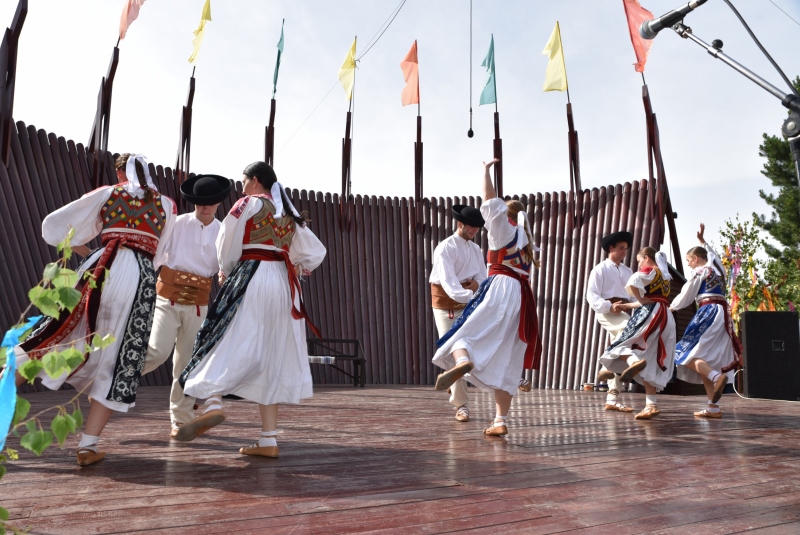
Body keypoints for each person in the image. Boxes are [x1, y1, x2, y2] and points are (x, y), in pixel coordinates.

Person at [14, 153, 176, 466]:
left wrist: (89, 250)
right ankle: (88, 446)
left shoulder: (108, 193)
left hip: (103, 269)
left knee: (53, 333)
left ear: (121, 172)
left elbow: (56, 226)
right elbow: (162, 252)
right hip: (139, 280)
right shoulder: (167, 205)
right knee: (117, 358)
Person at [175, 161, 326, 458]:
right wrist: (297, 265)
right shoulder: (288, 211)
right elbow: (315, 251)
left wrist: (226, 268)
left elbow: (227, 237)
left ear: (255, 181)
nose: (241, 187)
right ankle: (268, 439)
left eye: (243, 181)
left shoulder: (248, 203)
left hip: (252, 274)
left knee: (222, 335)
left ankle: (214, 404)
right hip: (283, 285)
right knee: (270, 355)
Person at [432, 158, 541, 436]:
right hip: (522, 298)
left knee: (460, 336)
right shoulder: (526, 240)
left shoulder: (503, 228)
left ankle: (463, 362)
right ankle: (500, 421)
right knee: (508, 357)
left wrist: (485, 171)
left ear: (506, 215)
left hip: (499, 289)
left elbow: (490, 198)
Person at [141, 174, 230, 437]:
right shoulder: (177, 223)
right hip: (167, 298)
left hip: (199, 304)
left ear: (218, 203)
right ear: (193, 202)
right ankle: (113, 380)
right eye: (201, 201)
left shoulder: (223, 231)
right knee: (157, 350)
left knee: (187, 363)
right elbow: (156, 255)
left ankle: (180, 420)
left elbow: (225, 266)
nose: (206, 206)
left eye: (211, 202)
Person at [670, 223, 742, 418]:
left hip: (707, 312)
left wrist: (672, 307)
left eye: (688, 261)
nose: (688, 265)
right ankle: (713, 407)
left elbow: (688, 292)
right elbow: (714, 257)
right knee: (705, 359)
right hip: (723, 314)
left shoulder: (700, 271)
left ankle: (716, 377)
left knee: (682, 351)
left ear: (695, 259)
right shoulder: (718, 270)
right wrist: (702, 241)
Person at [599, 247, 676, 420]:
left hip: (651, 314)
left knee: (622, 344)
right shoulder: (664, 275)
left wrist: (640, 300)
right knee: (652, 359)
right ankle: (651, 405)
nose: (639, 264)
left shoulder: (648, 270)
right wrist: (627, 305)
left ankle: (632, 362)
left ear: (647, 258)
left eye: (640, 260)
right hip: (666, 315)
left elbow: (634, 282)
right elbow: (653, 299)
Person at [429, 204, 487, 422]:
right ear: (460, 224)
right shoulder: (445, 247)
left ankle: (454, 388)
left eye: (477, 227)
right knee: (455, 348)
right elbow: (448, 281)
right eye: (471, 226)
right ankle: (461, 405)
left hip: (468, 301)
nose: (474, 230)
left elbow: (483, 276)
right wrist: (470, 293)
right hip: (445, 303)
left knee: (468, 350)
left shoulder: (476, 250)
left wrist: (475, 287)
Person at [586, 231, 636, 413]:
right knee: (629, 334)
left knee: (621, 348)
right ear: (611, 248)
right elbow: (591, 295)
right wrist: (609, 306)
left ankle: (612, 397)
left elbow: (632, 294)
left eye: (626, 249)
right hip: (607, 311)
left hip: (624, 311)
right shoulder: (599, 269)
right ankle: (604, 365)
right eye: (621, 248)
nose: (624, 252)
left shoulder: (627, 270)